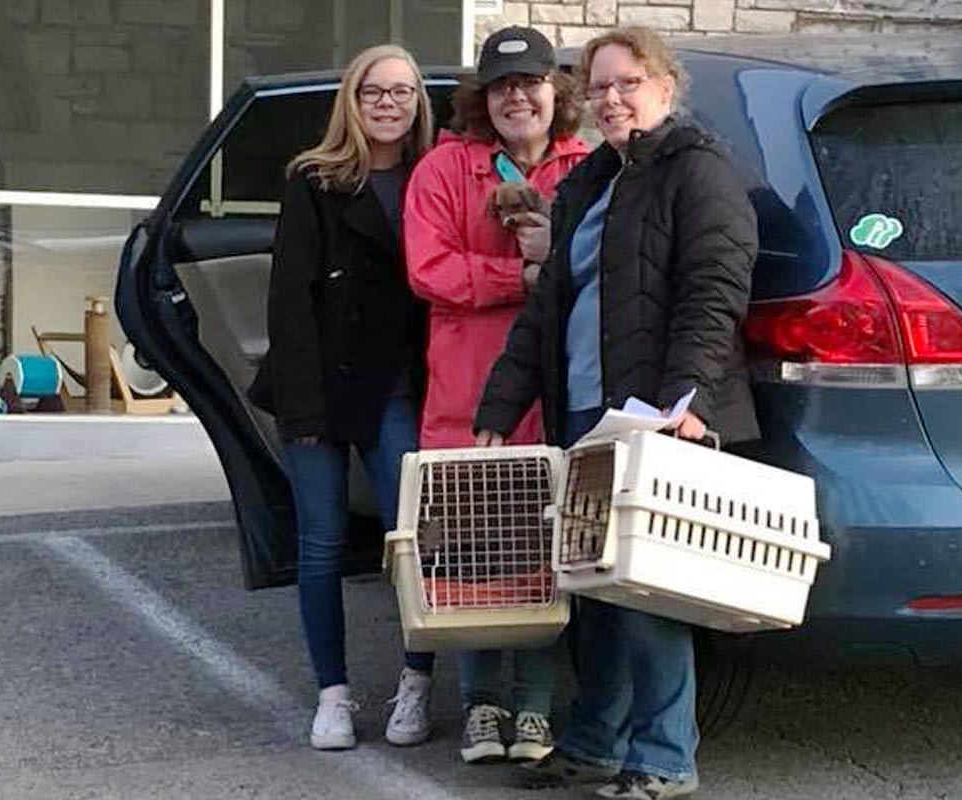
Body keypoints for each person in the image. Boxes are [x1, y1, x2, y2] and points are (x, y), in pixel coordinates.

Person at [474, 27, 760, 799]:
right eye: (599, 86)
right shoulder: (590, 182)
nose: (611, 98)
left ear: (665, 87)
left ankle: (666, 758)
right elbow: (546, 311)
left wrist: (686, 400)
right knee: (594, 590)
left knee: (649, 595)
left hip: (655, 419)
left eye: (627, 83)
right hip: (583, 413)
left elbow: (715, 291)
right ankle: (596, 742)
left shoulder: (695, 171)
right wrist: (503, 403)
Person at [403, 26, 589, 765]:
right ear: (484, 99)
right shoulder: (446, 169)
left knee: (548, 553)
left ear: (556, 91)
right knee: (471, 556)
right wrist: (520, 279)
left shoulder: (587, 165)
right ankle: (482, 706)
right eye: (503, 87)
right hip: (468, 390)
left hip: (556, 391)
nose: (519, 97)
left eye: (531, 83)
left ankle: (536, 709)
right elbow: (428, 269)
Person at [250, 44, 436, 751]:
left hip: (396, 386)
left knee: (414, 544)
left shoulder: (434, 175)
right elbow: (289, 303)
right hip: (322, 389)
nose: (389, 104)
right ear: (351, 103)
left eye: (403, 92)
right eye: (374, 92)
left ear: (420, 103)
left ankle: (417, 685)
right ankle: (333, 694)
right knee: (321, 547)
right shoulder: (313, 180)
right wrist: (299, 412)